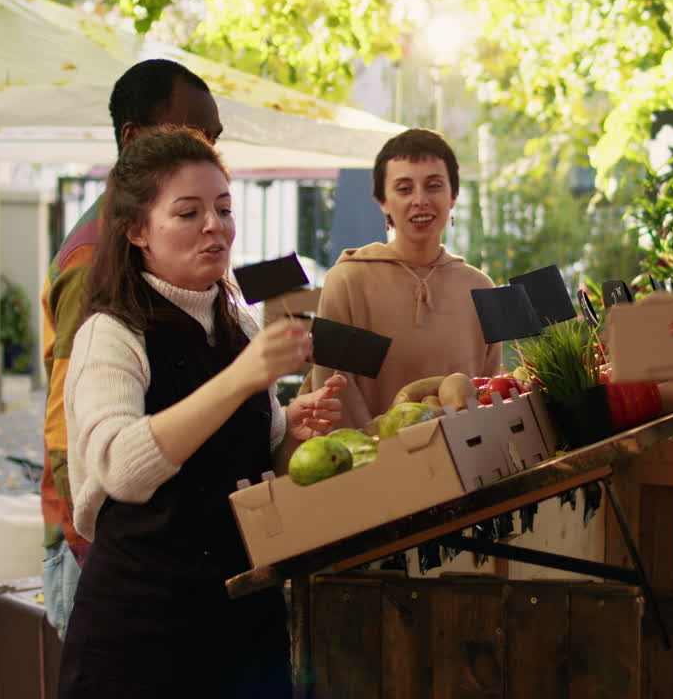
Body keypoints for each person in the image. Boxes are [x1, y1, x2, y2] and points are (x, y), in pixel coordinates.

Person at [56, 126, 345, 698]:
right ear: (138, 230)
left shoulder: (237, 323)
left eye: (224, 208)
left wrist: (293, 436)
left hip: (241, 622)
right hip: (142, 636)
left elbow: (258, 461)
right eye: (188, 213)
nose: (215, 226)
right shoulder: (110, 334)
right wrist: (241, 380)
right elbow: (120, 467)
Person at [38, 58, 223, 640]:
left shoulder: (207, 278)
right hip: (112, 563)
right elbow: (69, 426)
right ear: (133, 138)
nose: (208, 149)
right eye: (193, 133)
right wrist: (89, 544)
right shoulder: (95, 259)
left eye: (214, 138)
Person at [307, 128, 501, 430]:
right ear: (382, 201)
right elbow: (335, 391)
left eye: (434, 186)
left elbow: (489, 388)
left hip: (468, 462)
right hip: (376, 466)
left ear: (453, 196)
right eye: (404, 188)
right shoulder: (347, 281)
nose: (420, 200)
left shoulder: (480, 288)